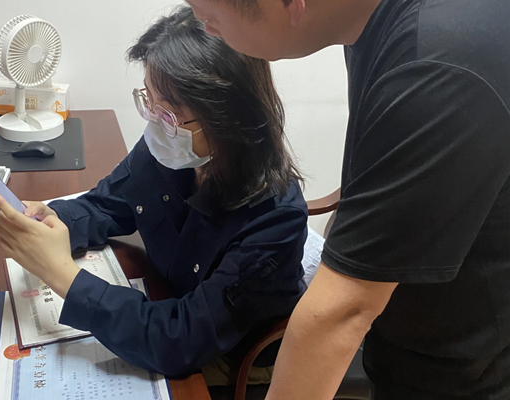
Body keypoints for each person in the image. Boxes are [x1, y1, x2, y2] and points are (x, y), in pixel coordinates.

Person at [184, 0, 510, 399]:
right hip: (411, 337)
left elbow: (343, 311)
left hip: (470, 372)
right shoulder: (369, 24)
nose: (207, 28)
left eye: (209, 15)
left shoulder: (437, 63)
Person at [0, 6, 309, 382]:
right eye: (149, 100)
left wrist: (60, 273)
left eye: (168, 113)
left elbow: (179, 341)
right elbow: (107, 203)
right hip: (167, 301)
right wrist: (52, 220)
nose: (155, 121)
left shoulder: (274, 219)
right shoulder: (174, 145)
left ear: (227, 118)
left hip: (233, 358)